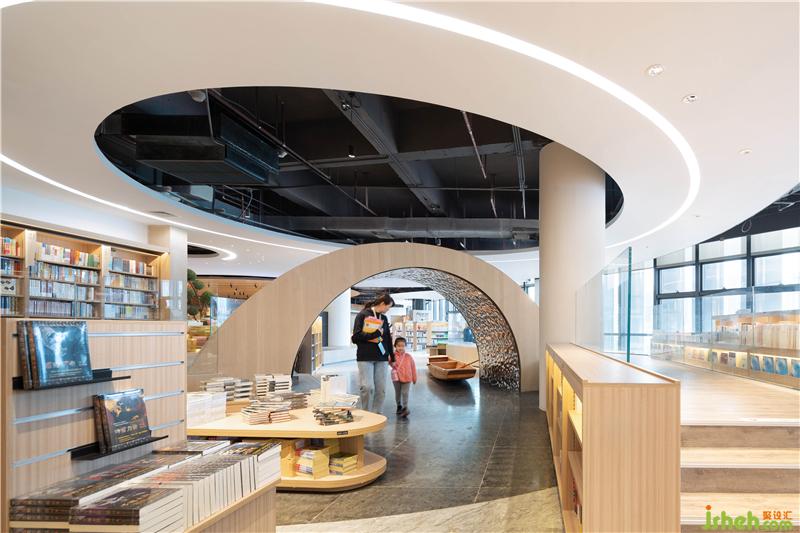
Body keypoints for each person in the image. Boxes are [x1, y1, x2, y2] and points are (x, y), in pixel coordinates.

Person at [351, 294, 395, 412]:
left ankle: (377, 414)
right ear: (382, 304)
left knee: (381, 389)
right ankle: (366, 412)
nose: (388, 309)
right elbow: (355, 338)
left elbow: (388, 339)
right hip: (365, 357)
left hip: (382, 357)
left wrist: (392, 357)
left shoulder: (384, 318)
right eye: (388, 307)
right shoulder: (362, 315)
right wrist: (376, 334)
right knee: (367, 387)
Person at [390, 337, 416, 418]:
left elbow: (413, 367)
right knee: (398, 393)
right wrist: (391, 363)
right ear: (395, 346)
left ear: (405, 346)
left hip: (407, 377)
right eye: (399, 346)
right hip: (396, 378)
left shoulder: (408, 356)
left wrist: (414, 378)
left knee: (405, 393)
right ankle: (399, 406)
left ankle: (405, 408)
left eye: (403, 346)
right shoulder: (392, 356)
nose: (401, 348)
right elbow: (389, 362)